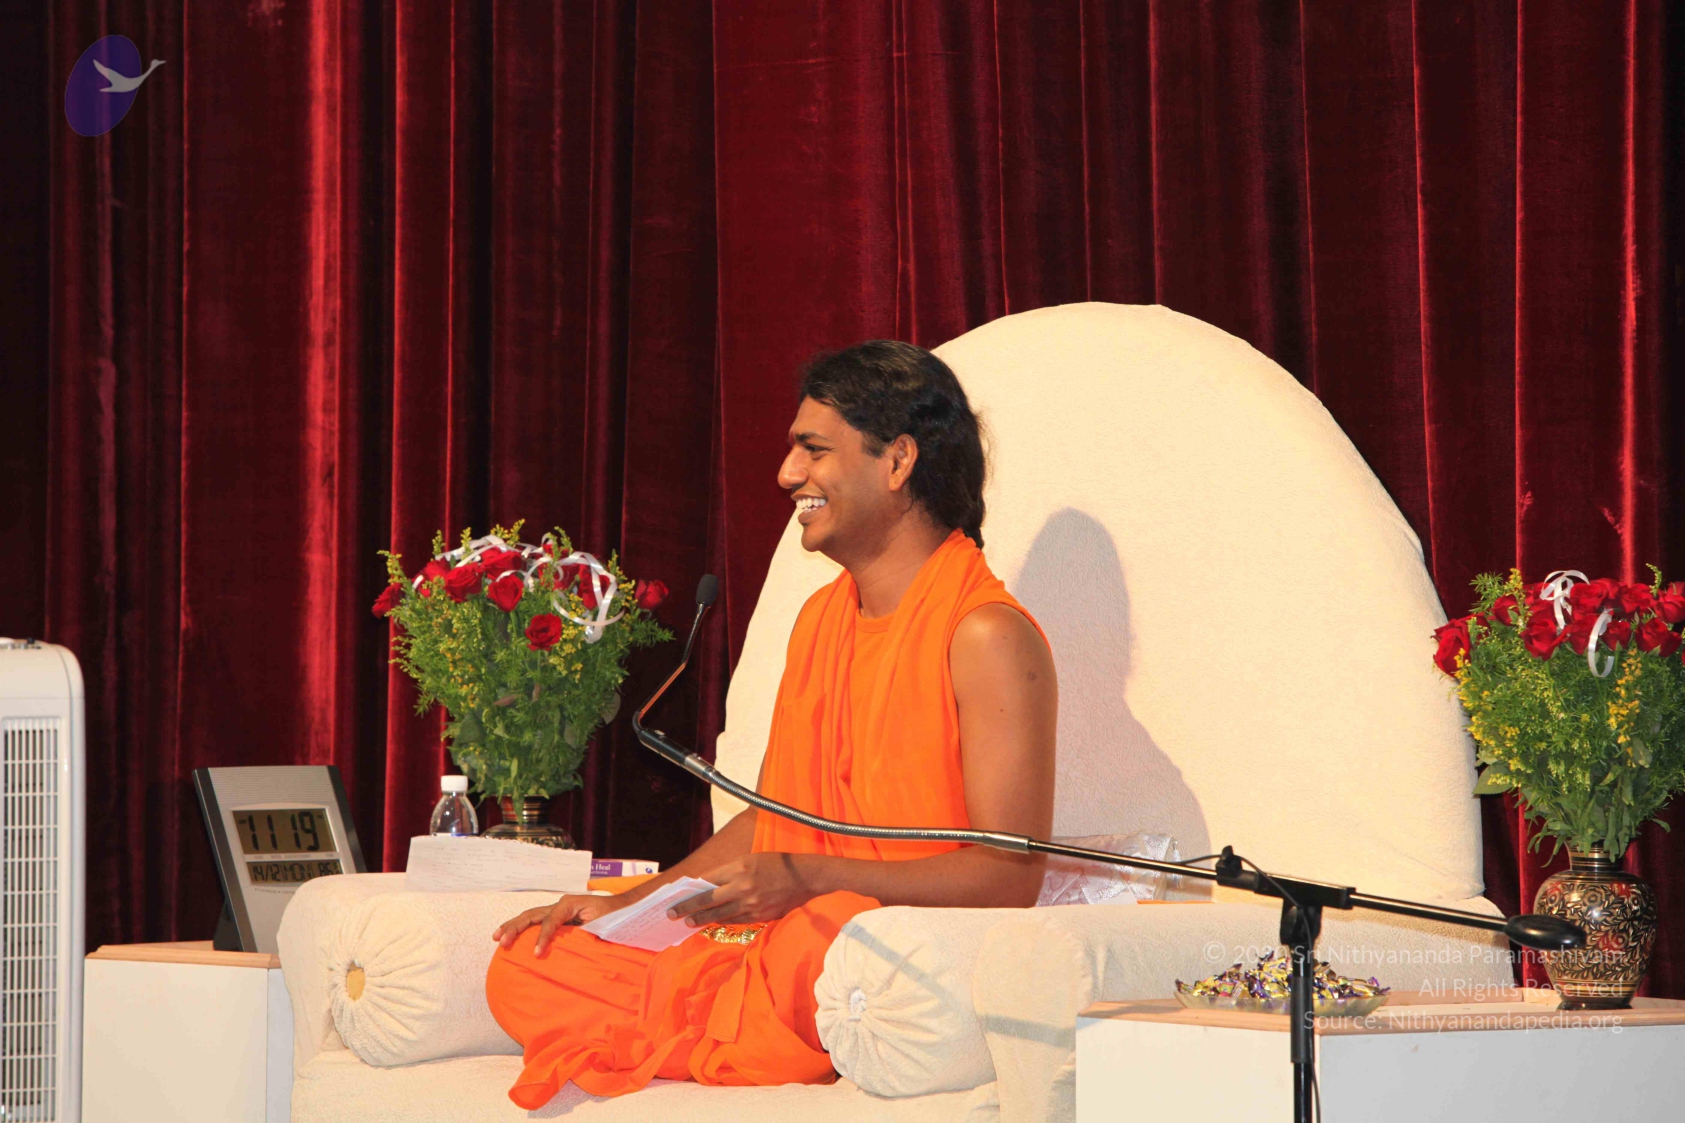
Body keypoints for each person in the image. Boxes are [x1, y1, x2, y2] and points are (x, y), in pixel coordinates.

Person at [485, 339, 1057, 1106]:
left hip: (876, 944)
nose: (788, 474)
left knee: (828, 938)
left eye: (813, 449)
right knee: (528, 959)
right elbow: (774, 819)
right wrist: (634, 902)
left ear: (897, 460)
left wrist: (814, 879)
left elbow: (1009, 875)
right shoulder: (819, 617)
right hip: (781, 933)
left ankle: (697, 1024)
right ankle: (713, 1024)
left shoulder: (984, 633)